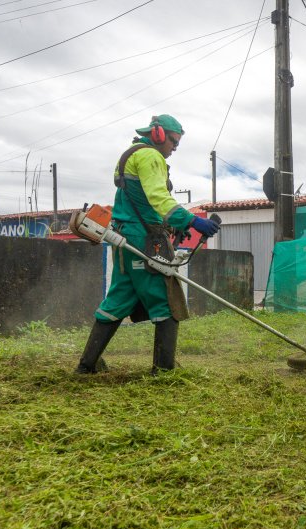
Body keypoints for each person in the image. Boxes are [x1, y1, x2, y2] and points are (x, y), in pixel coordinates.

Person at [76, 114, 220, 375]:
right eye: (174, 141)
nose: (174, 148)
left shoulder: (129, 155)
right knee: (166, 300)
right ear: (158, 135)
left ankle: (86, 366)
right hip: (144, 240)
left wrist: (172, 227)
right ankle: (163, 372)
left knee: (118, 299)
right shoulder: (150, 156)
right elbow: (158, 198)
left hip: (123, 237)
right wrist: (191, 221)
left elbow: (139, 202)